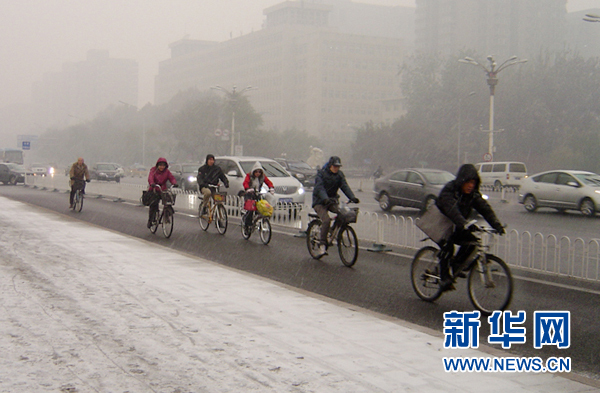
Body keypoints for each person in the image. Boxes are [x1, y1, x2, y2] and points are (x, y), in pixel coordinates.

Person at [436, 163, 505, 290]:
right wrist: (463, 223)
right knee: (448, 246)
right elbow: (452, 210)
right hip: (441, 224)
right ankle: (444, 277)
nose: (470, 186)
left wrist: (497, 225)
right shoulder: (450, 190)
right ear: (461, 180)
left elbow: (485, 209)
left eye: (473, 183)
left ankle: (456, 266)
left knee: (472, 242)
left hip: (458, 225)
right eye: (468, 182)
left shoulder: (473, 194)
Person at [312, 156, 360, 256]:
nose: (336, 168)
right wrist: (325, 198)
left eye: (338, 166)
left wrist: (352, 197)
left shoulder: (339, 175)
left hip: (332, 200)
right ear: (330, 165)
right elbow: (319, 188)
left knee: (342, 213)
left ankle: (332, 231)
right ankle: (322, 245)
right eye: (334, 166)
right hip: (319, 202)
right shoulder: (321, 174)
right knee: (326, 220)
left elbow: (344, 186)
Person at [147, 157, 178, 228]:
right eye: (160, 165)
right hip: (154, 189)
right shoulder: (153, 170)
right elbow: (150, 178)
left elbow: (172, 178)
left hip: (163, 189)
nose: (162, 167)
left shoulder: (167, 172)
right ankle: (151, 220)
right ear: (157, 165)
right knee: (153, 204)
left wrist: (174, 183)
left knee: (169, 199)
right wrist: (152, 183)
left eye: (163, 165)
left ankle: (167, 213)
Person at [242, 162, 274, 228]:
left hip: (257, 194)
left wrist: (271, 187)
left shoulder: (262, 177)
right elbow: (245, 183)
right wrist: (248, 189)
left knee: (261, 207)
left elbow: (268, 182)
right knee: (251, 209)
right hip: (249, 194)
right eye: (256, 172)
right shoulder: (249, 176)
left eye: (259, 172)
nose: (258, 173)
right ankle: (247, 223)